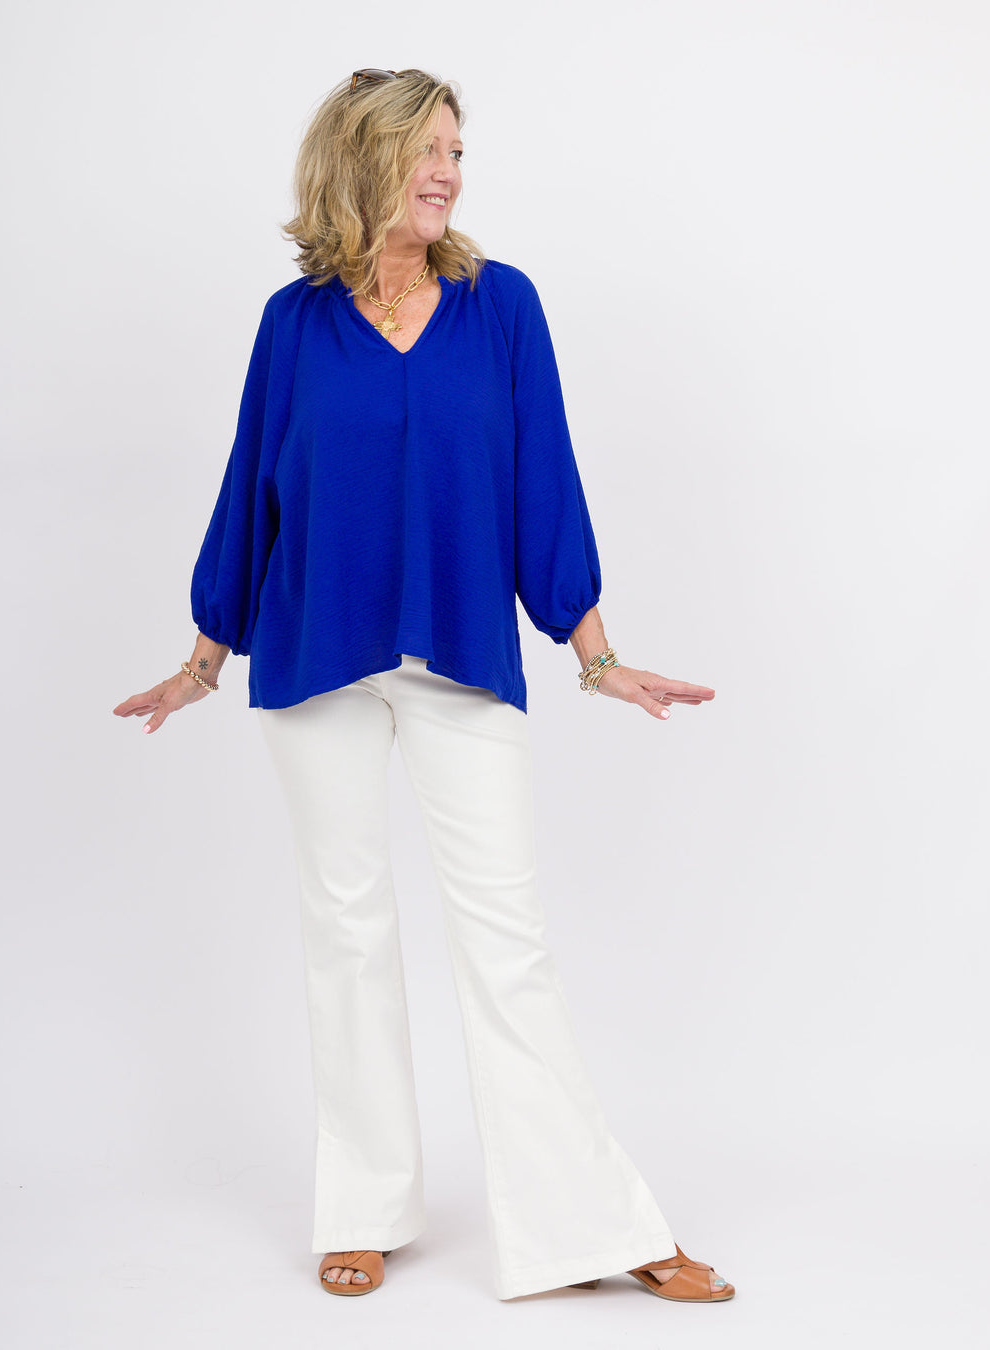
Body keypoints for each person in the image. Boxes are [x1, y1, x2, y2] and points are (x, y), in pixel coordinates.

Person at [112, 67, 733, 1305]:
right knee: (345, 934)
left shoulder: (503, 307)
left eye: (457, 151)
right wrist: (202, 658)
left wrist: (596, 655)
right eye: (427, 150)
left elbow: (543, 479)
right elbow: (252, 487)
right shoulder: (294, 324)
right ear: (363, 162)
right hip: (315, 659)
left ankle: (590, 1226)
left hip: (457, 652)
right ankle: (361, 1208)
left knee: (508, 943)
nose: (449, 172)